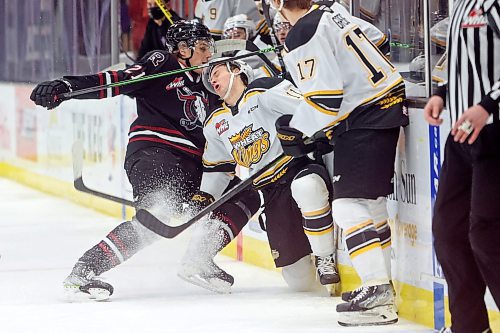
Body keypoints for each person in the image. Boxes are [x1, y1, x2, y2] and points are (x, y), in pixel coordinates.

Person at [29, 20, 248, 300]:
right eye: (203, 48)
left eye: (210, 48)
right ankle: (84, 271)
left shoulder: (210, 84)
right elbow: (117, 82)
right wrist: (67, 87)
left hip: (193, 166)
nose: (209, 55)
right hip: (155, 153)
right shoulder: (161, 63)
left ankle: (199, 260)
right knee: (156, 218)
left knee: (246, 194)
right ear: (182, 50)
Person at [269, 0, 408, 326]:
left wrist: (298, 129)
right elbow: (379, 40)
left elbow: (325, 100)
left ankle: (377, 293)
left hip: (363, 116)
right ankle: (380, 289)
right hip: (383, 103)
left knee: (347, 207)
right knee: (371, 207)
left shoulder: (302, 31)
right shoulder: (332, 10)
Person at [179, 58, 340, 293]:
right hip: (270, 190)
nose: (211, 79)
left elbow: (310, 111)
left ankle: (325, 258)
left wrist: (304, 134)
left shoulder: (263, 91)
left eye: (216, 72)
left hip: (297, 166)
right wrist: (204, 197)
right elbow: (219, 168)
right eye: (208, 78)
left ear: (237, 69)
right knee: (300, 282)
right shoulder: (216, 123)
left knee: (307, 187)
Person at [423, 1, 500, 332]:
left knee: (487, 236)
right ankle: (469, 326)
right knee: (448, 231)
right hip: (462, 132)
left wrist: (487, 105)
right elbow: (465, 61)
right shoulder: (462, 3)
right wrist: (442, 92)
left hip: (496, 133)